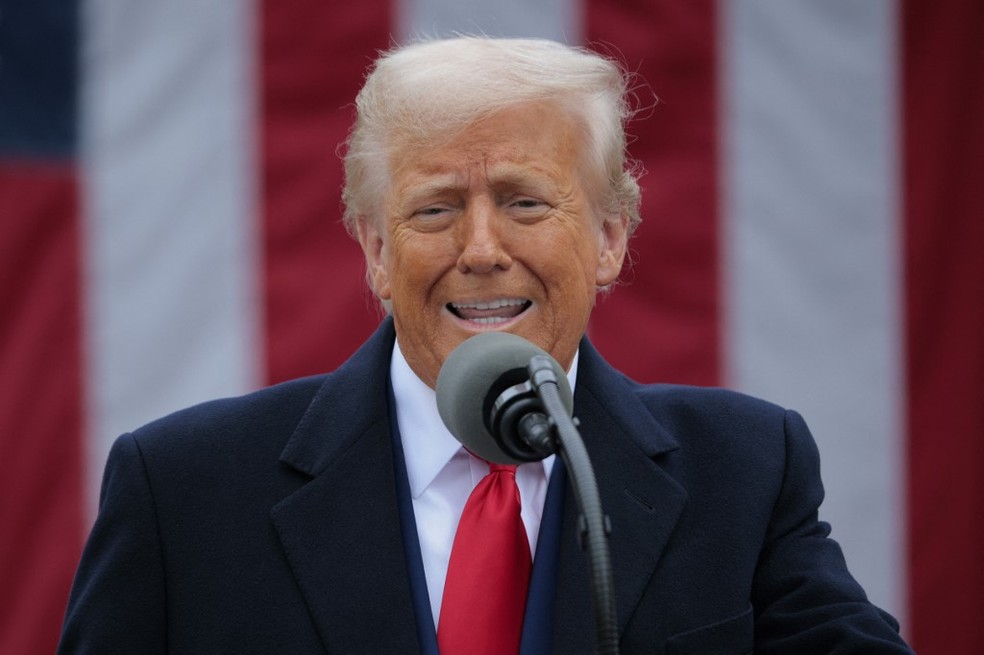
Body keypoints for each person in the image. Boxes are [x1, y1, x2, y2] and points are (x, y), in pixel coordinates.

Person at [59, 36, 912, 653]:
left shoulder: (744, 471)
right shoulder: (183, 491)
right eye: (435, 208)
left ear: (611, 237)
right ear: (377, 251)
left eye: (524, 202)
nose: (480, 249)